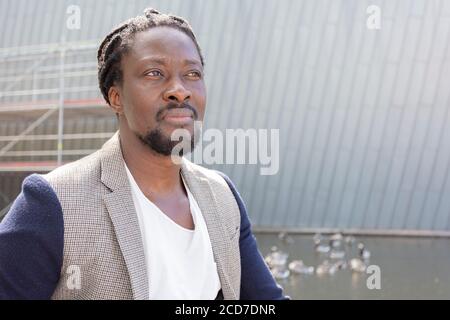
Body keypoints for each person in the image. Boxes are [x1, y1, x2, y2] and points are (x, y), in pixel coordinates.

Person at [0, 8, 287, 300]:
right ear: (116, 98)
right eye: (155, 73)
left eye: (192, 74)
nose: (179, 90)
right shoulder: (52, 204)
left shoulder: (222, 197)